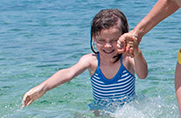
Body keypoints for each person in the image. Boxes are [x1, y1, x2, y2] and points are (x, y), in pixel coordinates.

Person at [21, 9, 149, 111]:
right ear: (94, 38)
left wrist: (136, 50)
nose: (108, 46)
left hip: (127, 115)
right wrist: (43, 88)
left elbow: (142, 75)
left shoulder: (127, 59)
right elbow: (68, 73)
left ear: (124, 37)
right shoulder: (91, 61)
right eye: (101, 41)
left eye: (114, 40)